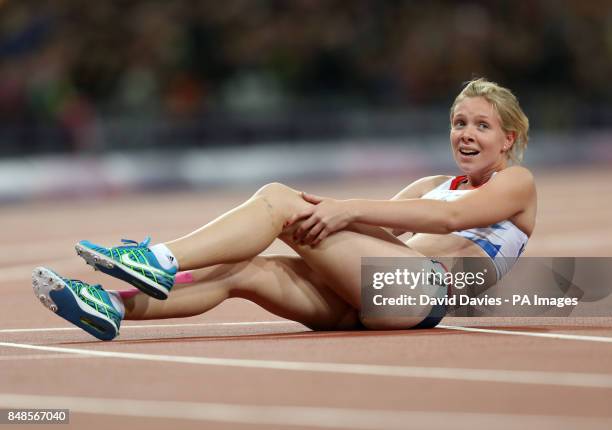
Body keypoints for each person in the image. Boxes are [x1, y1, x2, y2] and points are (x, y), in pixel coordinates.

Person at [32, 78, 536, 341]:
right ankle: (112, 305)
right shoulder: (431, 183)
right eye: (458, 122)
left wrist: (331, 208)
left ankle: (159, 258)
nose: (465, 134)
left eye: (481, 126)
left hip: (422, 290)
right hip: (374, 294)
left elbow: (449, 220)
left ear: (508, 138)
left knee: (277, 199)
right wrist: (327, 208)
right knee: (243, 270)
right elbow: (370, 225)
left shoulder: (517, 183)